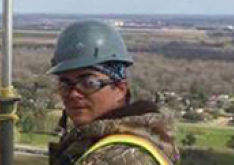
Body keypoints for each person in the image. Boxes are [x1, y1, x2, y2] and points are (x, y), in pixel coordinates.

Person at [47, 21, 179, 165]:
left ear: (120, 89)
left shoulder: (119, 158)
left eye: (89, 83)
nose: (73, 94)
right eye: (65, 84)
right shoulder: (142, 137)